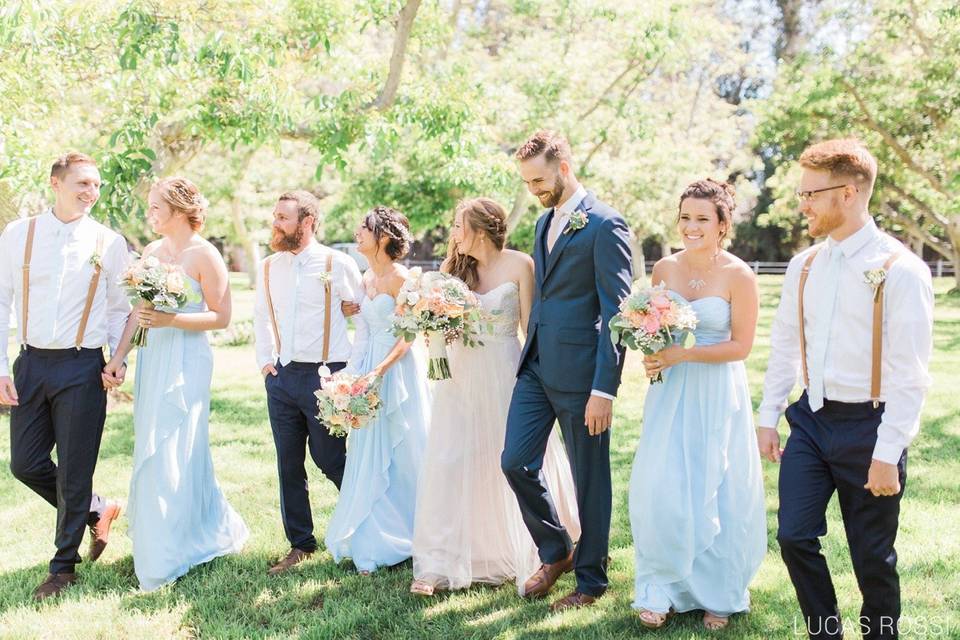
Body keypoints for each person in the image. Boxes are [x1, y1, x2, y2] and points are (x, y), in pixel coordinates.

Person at [756, 139, 934, 640]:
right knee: (793, 538)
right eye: (801, 193)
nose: (802, 203)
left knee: (872, 558)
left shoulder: (902, 270)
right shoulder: (804, 264)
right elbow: (786, 344)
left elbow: (910, 374)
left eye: (812, 193)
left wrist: (887, 450)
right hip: (811, 421)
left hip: (871, 426)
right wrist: (769, 416)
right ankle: (825, 631)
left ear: (850, 193)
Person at [409, 197, 580, 596]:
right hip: (460, 377)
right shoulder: (452, 271)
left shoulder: (521, 265)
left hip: (505, 371)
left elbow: (528, 330)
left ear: (482, 229)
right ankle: (439, 560)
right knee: (452, 459)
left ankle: (536, 544)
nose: (453, 233)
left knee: (506, 458)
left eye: (458, 225)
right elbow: (439, 331)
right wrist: (432, 323)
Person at [501, 130, 633, 611]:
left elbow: (618, 313)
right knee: (514, 462)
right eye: (527, 182)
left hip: (583, 376)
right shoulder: (542, 223)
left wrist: (606, 388)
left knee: (589, 479)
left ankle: (592, 580)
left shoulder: (605, 224)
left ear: (564, 166)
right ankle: (557, 551)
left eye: (538, 179)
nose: (534, 189)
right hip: (536, 364)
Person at [630, 179, 766, 631]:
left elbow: (741, 346)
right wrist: (651, 351)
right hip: (670, 389)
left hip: (715, 390)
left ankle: (717, 592)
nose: (691, 226)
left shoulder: (739, 275)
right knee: (663, 483)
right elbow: (654, 328)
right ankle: (659, 587)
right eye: (685, 216)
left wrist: (683, 353)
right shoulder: (664, 270)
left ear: (722, 224)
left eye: (702, 218)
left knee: (715, 483)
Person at [105, 177, 248, 591]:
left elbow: (221, 317)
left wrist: (173, 320)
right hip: (154, 357)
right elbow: (139, 312)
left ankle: (179, 542)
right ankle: (158, 538)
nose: (149, 213)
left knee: (178, 444)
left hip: (188, 359)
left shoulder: (206, 255)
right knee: (150, 442)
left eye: (154, 206)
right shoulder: (151, 252)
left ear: (180, 208)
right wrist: (118, 359)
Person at [0, 152, 128, 600]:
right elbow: (1, 301)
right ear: (55, 183)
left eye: (96, 185)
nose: (92, 193)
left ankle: (63, 569)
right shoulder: (18, 234)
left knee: (75, 469)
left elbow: (117, 308)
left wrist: (119, 358)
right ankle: (97, 510)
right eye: (83, 184)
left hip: (82, 364)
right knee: (25, 463)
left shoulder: (109, 242)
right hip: (31, 363)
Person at [253, 190, 364, 575]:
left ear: (308, 222)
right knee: (288, 463)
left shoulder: (338, 262)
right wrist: (266, 363)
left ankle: (366, 527)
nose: (276, 223)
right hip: (282, 376)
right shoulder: (268, 266)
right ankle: (300, 543)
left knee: (330, 459)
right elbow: (261, 317)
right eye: (275, 216)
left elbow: (363, 315)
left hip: (327, 374)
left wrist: (349, 373)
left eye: (284, 217)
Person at [324, 206, 430, 574]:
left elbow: (409, 334)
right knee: (369, 449)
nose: (357, 232)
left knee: (402, 449)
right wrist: (350, 376)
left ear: (383, 237)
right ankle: (377, 533)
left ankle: (415, 531)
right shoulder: (367, 277)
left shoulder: (402, 278)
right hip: (369, 367)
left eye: (364, 228)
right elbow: (365, 331)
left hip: (397, 371)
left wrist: (380, 371)